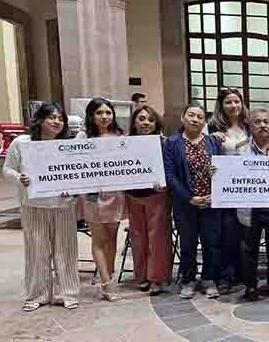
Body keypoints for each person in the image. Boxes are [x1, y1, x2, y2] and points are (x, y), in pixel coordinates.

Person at [3, 103, 81, 311]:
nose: (56, 122)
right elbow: (8, 170)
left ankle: (67, 292)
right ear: (40, 119)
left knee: (66, 250)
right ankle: (37, 294)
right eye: (51, 117)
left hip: (63, 205)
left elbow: (76, 174)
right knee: (37, 251)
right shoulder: (22, 142)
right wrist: (20, 178)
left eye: (60, 118)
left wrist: (71, 189)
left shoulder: (67, 145)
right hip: (33, 205)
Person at [165, 103, 223, 299]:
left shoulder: (213, 142)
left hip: (210, 202)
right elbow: (170, 175)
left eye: (200, 117)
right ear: (183, 118)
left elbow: (223, 169)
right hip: (186, 204)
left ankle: (208, 279)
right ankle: (188, 280)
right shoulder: (172, 143)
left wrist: (218, 176)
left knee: (211, 244)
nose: (195, 119)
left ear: (204, 122)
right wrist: (190, 198)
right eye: (191, 115)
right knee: (188, 244)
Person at [237, 108, 269, 302]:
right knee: (248, 249)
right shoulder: (240, 148)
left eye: (266, 121)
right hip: (250, 208)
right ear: (250, 126)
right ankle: (250, 286)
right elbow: (233, 175)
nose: (262, 125)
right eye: (257, 122)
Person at [77, 97, 126, 302]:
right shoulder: (82, 137)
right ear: (91, 115)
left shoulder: (121, 136)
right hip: (92, 195)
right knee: (99, 239)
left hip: (116, 194)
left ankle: (110, 275)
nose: (104, 116)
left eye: (108, 112)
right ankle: (106, 284)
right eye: (99, 113)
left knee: (113, 238)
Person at [207, 88, 252, 295]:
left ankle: (243, 275)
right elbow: (206, 156)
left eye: (237, 102)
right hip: (224, 190)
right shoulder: (213, 128)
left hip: (247, 188)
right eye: (228, 102)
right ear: (221, 106)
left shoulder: (249, 127)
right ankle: (224, 276)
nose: (233, 106)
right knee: (226, 234)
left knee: (245, 235)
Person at [126, 106, 172, 296]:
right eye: (142, 118)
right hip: (133, 196)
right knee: (138, 237)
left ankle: (157, 278)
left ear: (156, 123)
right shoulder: (124, 143)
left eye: (150, 120)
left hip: (157, 196)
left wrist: (165, 183)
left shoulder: (164, 143)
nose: (146, 123)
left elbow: (170, 169)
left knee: (158, 238)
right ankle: (141, 276)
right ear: (134, 122)